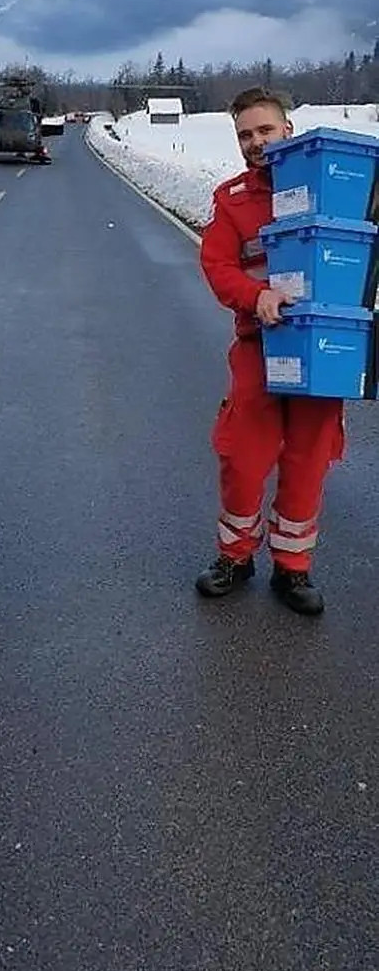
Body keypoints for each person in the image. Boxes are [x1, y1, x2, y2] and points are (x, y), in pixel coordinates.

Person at [196, 87, 344, 615]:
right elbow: (217, 267)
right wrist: (256, 296)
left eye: (264, 130)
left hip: (324, 345)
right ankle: (236, 556)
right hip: (260, 346)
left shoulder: (332, 184)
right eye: (244, 134)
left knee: (309, 456)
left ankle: (293, 567)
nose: (255, 142)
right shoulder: (231, 199)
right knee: (243, 455)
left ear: (288, 129)